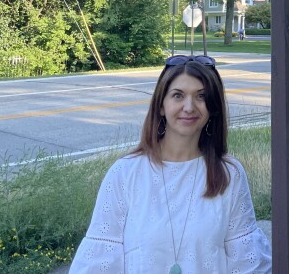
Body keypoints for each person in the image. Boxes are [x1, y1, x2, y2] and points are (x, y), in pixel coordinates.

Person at [69, 55, 272, 273]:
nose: (189, 107)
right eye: (178, 95)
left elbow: (247, 263)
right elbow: (100, 261)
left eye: (201, 96)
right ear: (161, 106)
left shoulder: (228, 174)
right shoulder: (126, 173)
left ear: (213, 108)